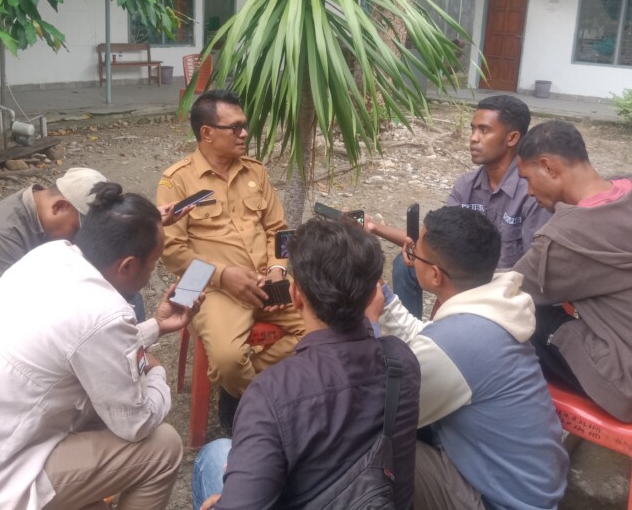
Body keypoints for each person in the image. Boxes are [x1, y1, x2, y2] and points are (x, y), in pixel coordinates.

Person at [0, 182, 202, 510]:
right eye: (153, 263)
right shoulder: (105, 311)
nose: (152, 272)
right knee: (163, 447)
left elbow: (80, 342)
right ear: (128, 265)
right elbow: (136, 425)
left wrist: (155, 326)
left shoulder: (50, 255)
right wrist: (158, 376)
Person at [193, 217, 420, 510]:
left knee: (214, 453)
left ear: (295, 294)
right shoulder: (402, 361)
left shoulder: (270, 393)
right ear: (372, 297)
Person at [371, 206, 568, 509]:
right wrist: (385, 301)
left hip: (497, 502)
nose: (411, 258)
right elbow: (430, 341)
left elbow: (378, 410)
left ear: (435, 274)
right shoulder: (495, 310)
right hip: (533, 489)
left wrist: (369, 325)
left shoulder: (454, 346)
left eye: (414, 253)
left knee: (369, 447)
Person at [157, 90, 304, 428]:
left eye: (244, 126)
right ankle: (266, 406)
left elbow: (279, 231)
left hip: (267, 279)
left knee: (324, 329)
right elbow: (172, 251)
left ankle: (240, 391)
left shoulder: (255, 171)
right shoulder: (176, 180)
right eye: (235, 127)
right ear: (207, 133)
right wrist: (223, 276)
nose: (244, 134)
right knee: (226, 359)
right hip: (205, 286)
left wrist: (278, 271)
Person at [367, 94, 550, 318]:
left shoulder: (532, 191)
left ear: (512, 138)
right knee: (406, 263)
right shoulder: (466, 185)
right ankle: (412, 332)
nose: (473, 138)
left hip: (507, 290)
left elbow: (536, 269)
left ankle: (442, 326)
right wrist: (379, 230)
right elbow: (439, 239)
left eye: (484, 130)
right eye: (472, 129)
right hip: (461, 276)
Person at [515, 120, 632, 422]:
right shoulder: (625, 189)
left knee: (518, 316)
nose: (529, 192)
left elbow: (509, 288)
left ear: (548, 167)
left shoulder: (568, 238)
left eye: (528, 179)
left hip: (626, 383)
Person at [0, 166, 107, 292]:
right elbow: (14, 300)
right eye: (78, 231)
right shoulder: (0, 238)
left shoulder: (41, 209)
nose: (80, 240)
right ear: (59, 207)